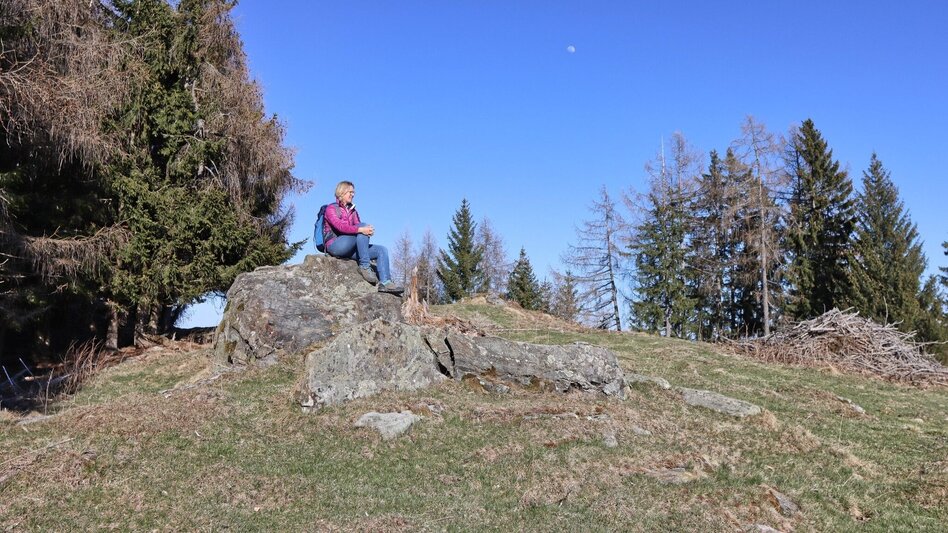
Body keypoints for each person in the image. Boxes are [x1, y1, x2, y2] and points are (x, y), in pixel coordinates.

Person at [324, 180, 404, 295]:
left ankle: (385, 282)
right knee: (362, 227)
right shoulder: (331, 209)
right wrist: (362, 229)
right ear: (341, 192)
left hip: (350, 248)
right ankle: (365, 266)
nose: (353, 194)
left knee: (382, 250)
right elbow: (340, 227)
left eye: (353, 192)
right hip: (336, 245)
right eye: (350, 192)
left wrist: (367, 231)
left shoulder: (353, 211)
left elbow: (359, 230)